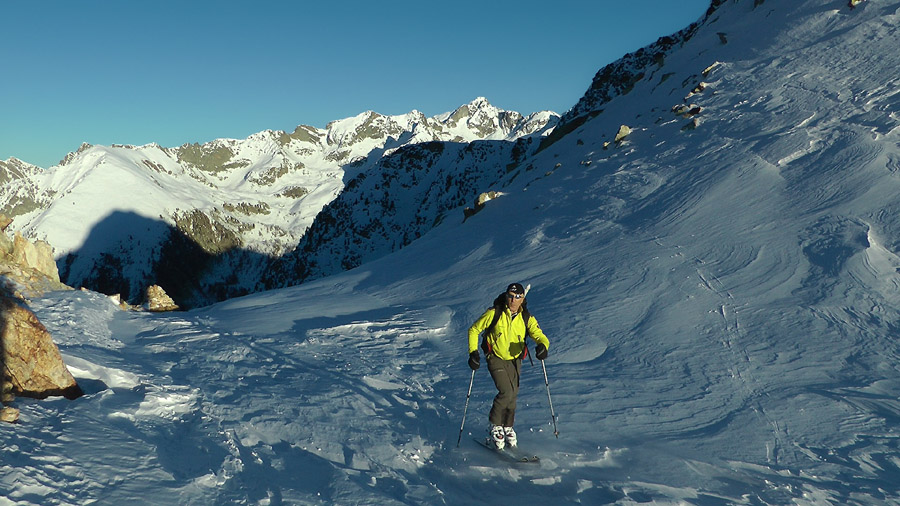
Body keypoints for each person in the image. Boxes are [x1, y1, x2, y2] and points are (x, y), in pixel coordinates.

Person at [467, 282, 550, 450]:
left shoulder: (526, 317)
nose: (513, 300)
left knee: (513, 394)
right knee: (506, 391)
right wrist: (473, 353)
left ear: (522, 299)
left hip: (515, 359)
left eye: (517, 297)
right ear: (506, 296)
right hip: (495, 356)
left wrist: (542, 346)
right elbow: (474, 330)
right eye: (511, 296)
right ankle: (495, 425)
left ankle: (507, 426)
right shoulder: (495, 313)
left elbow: (540, 336)